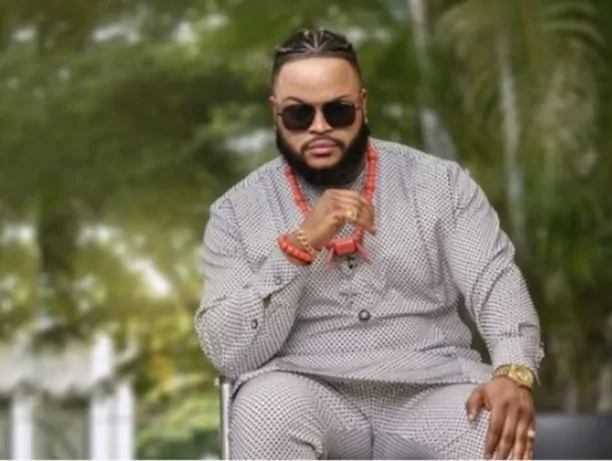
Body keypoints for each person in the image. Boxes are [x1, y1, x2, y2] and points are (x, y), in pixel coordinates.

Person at [195, 28, 544, 460]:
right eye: (299, 115)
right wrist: (299, 245)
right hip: (306, 389)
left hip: (432, 386)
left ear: (363, 104)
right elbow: (226, 351)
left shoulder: (440, 183)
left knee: (495, 426)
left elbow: (494, 280)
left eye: (338, 111)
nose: (320, 128)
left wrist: (513, 370)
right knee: (265, 409)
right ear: (275, 113)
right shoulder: (236, 212)